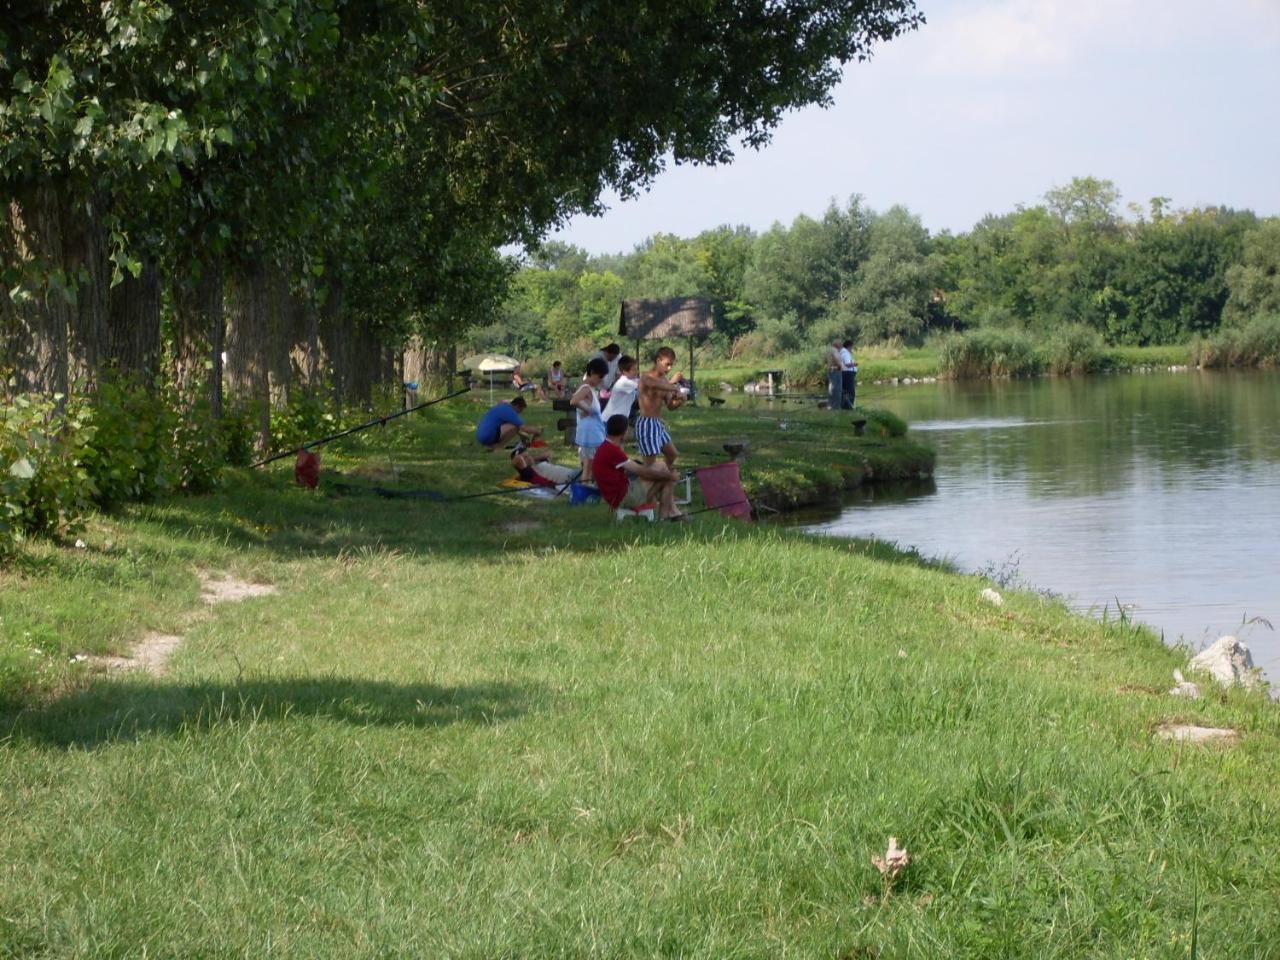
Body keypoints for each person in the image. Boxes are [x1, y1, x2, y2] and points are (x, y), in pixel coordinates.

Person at [593, 414, 685, 520]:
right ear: (623, 433)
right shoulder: (612, 451)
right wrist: (670, 476)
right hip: (624, 497)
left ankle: (670, 513)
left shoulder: (606, 446)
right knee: (665, 476)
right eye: (628, 430)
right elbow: (641, 471)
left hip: (616, 494)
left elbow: (633, 468)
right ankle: (667, 515)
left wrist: (666, 475)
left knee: (662, 467)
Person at [635, 345, 686, 470]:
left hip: (658, 423)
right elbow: (654, 385)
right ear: (658, 361)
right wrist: (674, 386)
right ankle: (651, 482)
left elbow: (670, 406)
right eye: (667, 364)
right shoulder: (646, 377)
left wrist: (680, 400)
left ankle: (660, 479)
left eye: (671, 365)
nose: (669, 368)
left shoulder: (664, 381)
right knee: (650, 465)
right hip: (646, 423)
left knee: (672, 454)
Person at [570, 358, 608, 483]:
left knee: (592, 465)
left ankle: (590, 487)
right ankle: (585, 490)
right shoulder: (586, 388)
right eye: (600, 376)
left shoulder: (591, 389)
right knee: (588, 466)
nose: (601, 379)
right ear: (592, 372)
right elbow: (574, 401)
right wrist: (587, 409)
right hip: (590, 433)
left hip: (594, 431)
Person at [475, 396, 540, 451]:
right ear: (517, 406)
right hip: (487, 436)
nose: (519, 413)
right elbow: (524, 428)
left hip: (480, 435)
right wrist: (537, 431)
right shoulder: (510, 411)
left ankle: (491, 445)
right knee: (515, 427)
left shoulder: (502, 406)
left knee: (513, 426)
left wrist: (524, 438)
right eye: (520, 410)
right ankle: (499, 448)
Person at [510, 441, 579, 487]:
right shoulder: (528, 473)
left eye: (528, 455)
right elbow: (515, 461)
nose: (528, 457)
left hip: (573, 473)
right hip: (571, 479)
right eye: (525, 457)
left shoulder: (537, 464)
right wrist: (520, 460)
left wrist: (534, 459)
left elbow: (549, 453)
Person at [601, 354, 640, 422]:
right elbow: (645, 384)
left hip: (618, 419)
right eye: (634, 370)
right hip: (610, 419)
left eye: (637, 369)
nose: (637, 372)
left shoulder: (632, 380)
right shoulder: (623, 382)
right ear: (624, 371)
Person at [825, 339, 844, 411]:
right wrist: (840, 366)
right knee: (835, 390)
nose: (841, 346)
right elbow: (835, 361)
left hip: (834, 371)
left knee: (835, 390)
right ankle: (834, 407)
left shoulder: (832, 351)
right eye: (840, 344)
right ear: (836, 345)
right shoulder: (833, 351)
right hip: (835, 371)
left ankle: (833, 406)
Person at [839, 339, 857, 409]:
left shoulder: (843, 352)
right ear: (849, 346)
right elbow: (847, 364)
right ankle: (848, 408)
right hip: (848, 374)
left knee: (845, 392)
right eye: (852, 347)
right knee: (851, 392)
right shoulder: (845, 353)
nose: (852, 349)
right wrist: (855, 364)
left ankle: (845, 407)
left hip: (845, 374)